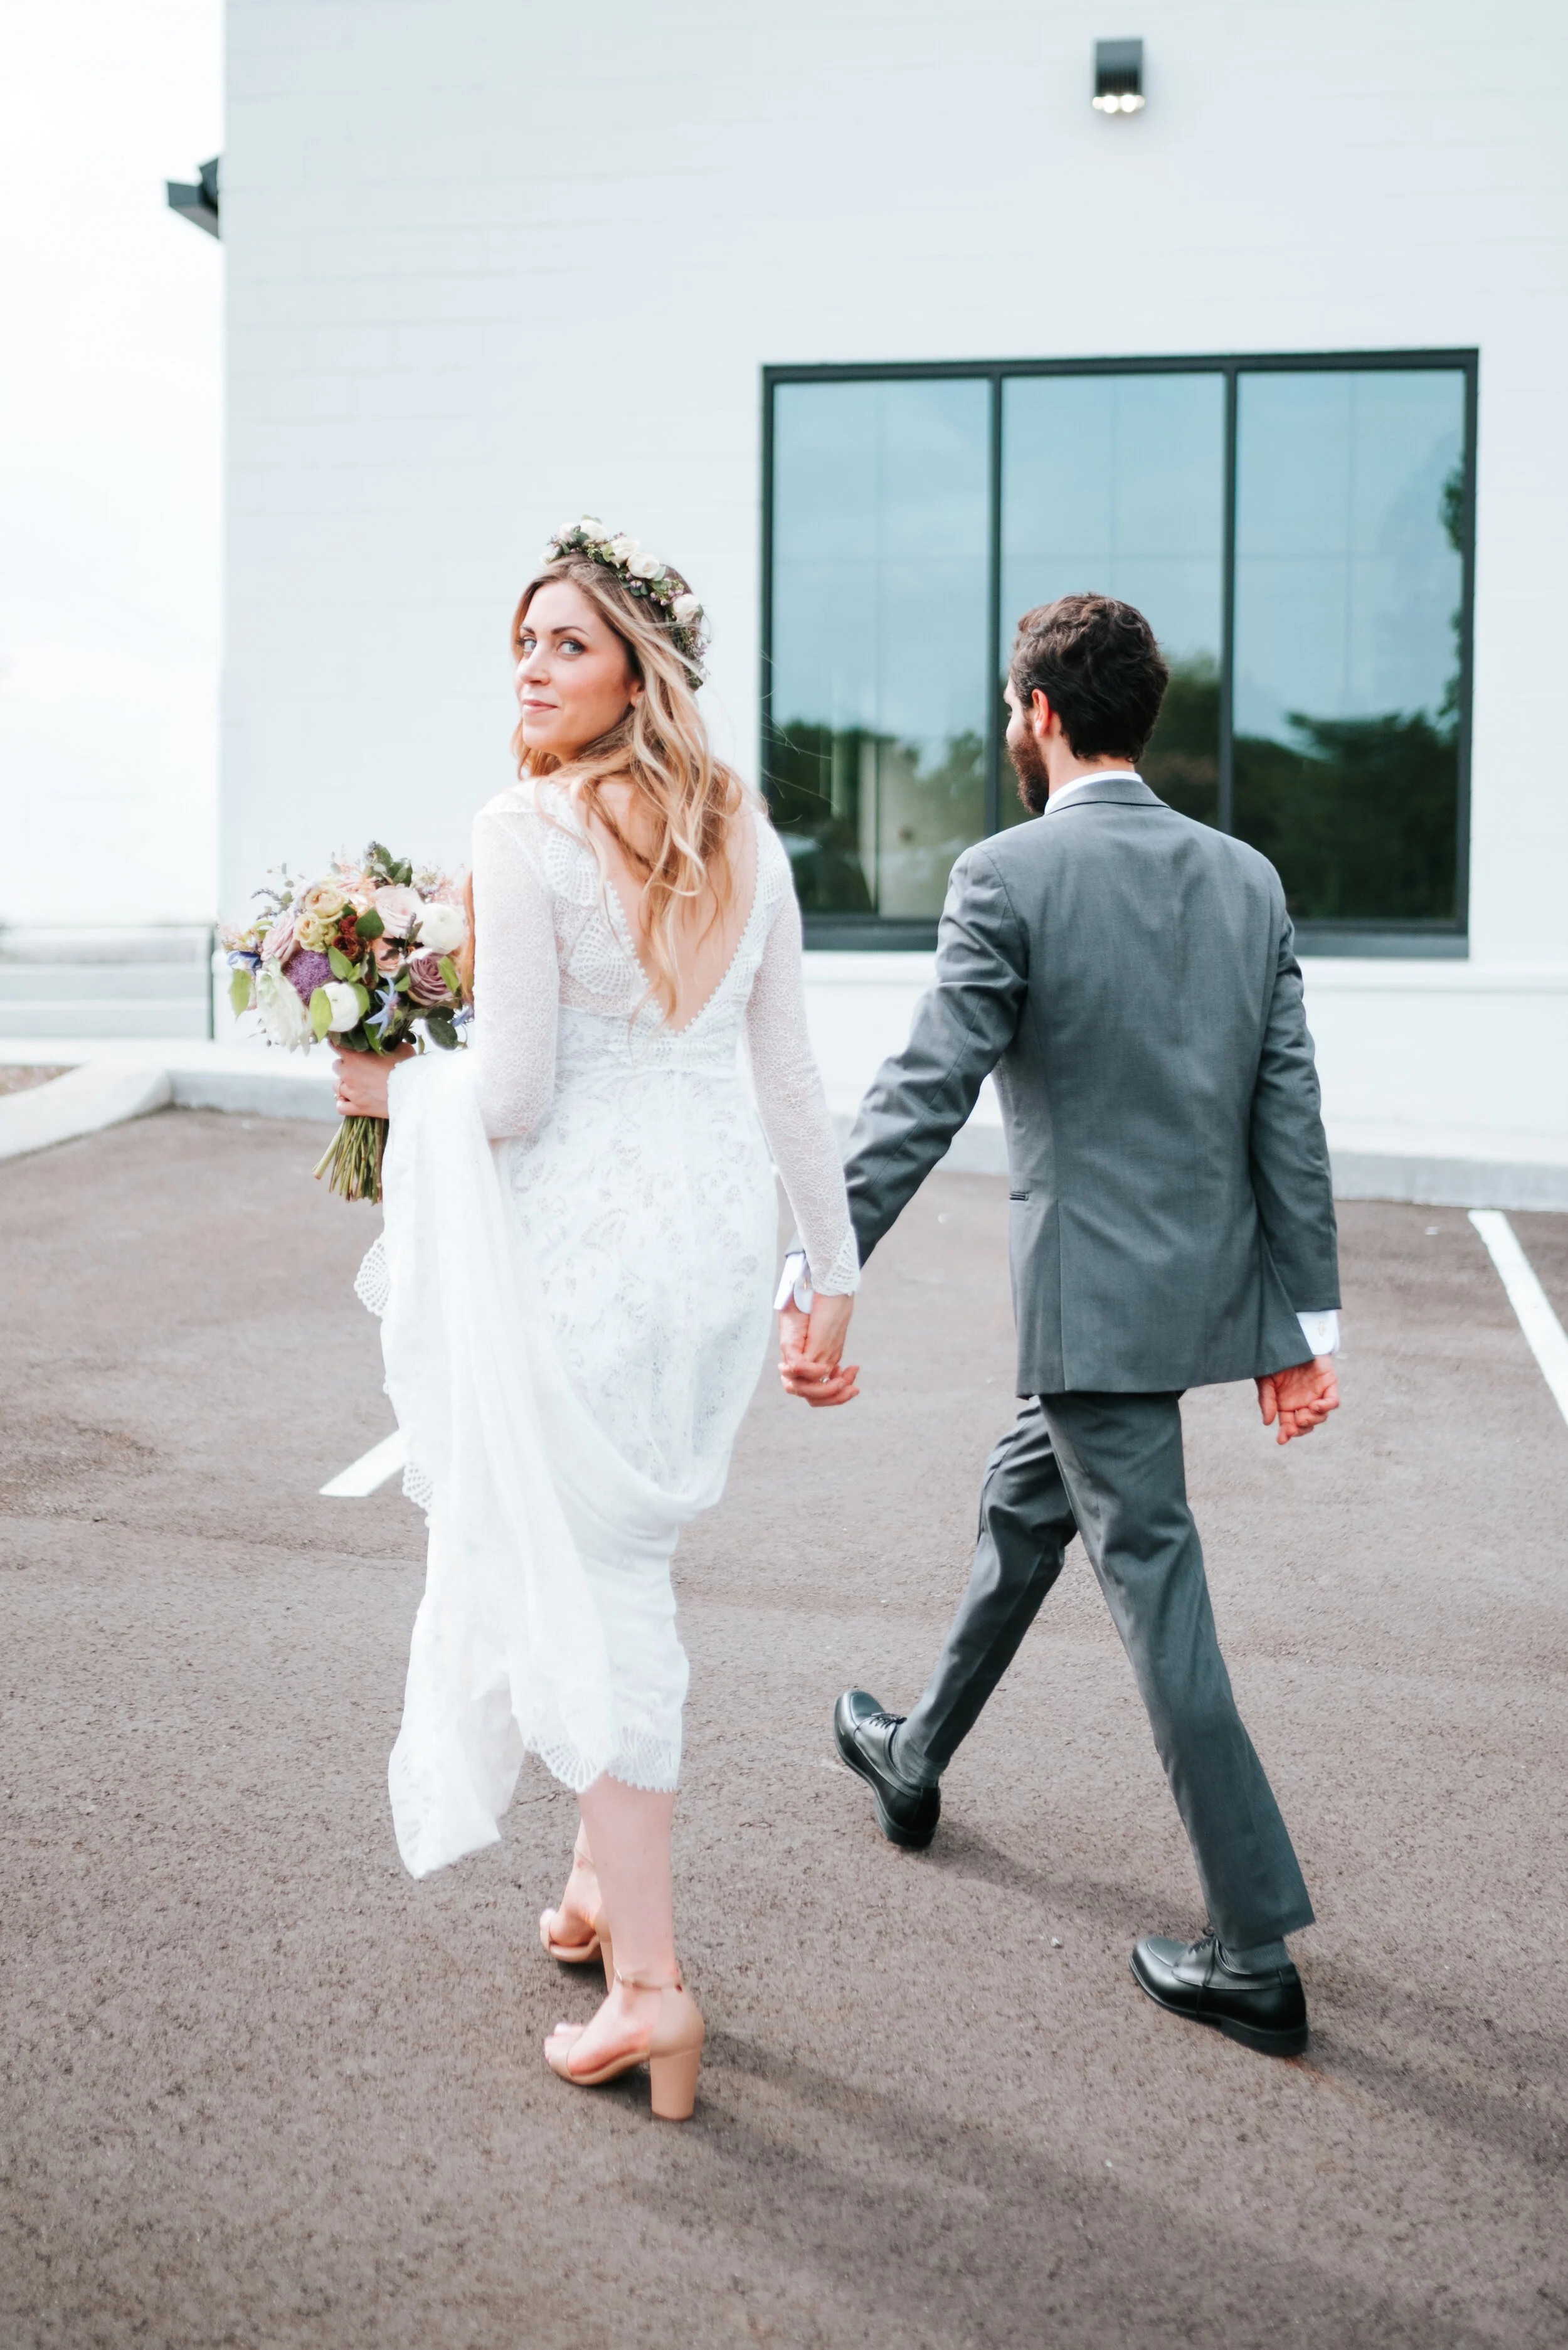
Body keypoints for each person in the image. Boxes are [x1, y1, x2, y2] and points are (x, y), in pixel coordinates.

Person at [336, 519, 859, 2119]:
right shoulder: (743, 831)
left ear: (639, 672)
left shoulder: (524, 826)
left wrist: (383, 1088)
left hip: (583, 1256)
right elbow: (785, 1073)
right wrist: (830, 1271)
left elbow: (507, 1094)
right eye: (524, 640)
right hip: (708, 1252)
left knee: (607, 1587)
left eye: (568, 642)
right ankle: (587, 1884)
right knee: (617, 1551)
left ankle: (650, 1987)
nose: (532, 666)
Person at [787, 592, 1340, 2060]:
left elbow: (924, 1087)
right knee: (1021, 1508)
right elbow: (1286, 1112)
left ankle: (1250, 1950)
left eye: (1006, 709)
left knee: (1161, 1605)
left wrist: (820, 1263)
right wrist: (1301, 1322)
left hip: (1090, 1314)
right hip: (1180, 1302)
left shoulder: (1002, 873)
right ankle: (913, 1752)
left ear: (1036, 712)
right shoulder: (1246, 880)